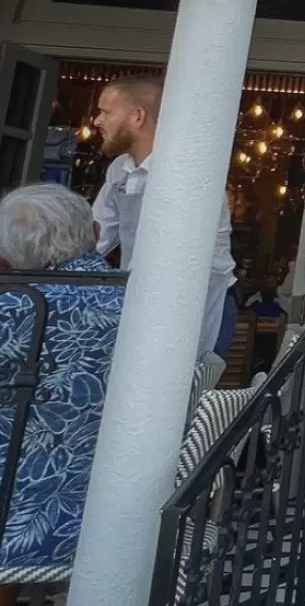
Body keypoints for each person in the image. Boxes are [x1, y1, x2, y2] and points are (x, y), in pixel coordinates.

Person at [0, 184, 126, 605]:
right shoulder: (139, 301)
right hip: (109, 503)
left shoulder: (17, 306)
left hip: (19, 506)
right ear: (93, 229)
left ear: (8, 254)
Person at [90, 75, 237, 362]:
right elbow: (96, 236)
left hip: (196, 302)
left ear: (138, 116)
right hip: (141, 300)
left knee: (177, 396)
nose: (97, 120)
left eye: (106, 111)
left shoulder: (188, 171)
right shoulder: (121, 168)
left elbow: (184, 257)